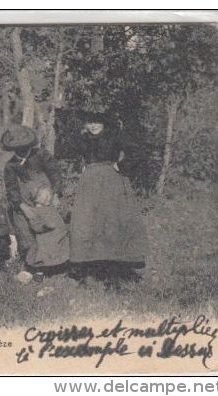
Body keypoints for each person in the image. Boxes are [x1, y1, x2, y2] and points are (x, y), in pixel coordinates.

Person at [69, 112, 148, 288]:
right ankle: (90, 269)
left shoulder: (115, 136)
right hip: (88, 185)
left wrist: (121, 166)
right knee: (87, 223)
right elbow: (66, 149)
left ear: (104, 122)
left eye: (96, 121)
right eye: (88, 122)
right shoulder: (83, 139)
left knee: (112, 223)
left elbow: (137, 151)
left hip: (111, 184)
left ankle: (115, 271)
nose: (92, 125)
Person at [2, 125, 63, 259]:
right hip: (24, 199)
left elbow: (54, 173)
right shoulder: (11, 165)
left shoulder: (41, 154)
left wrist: (56, 193)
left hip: (46, 195)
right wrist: (22, 206)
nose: (21, 149)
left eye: (24, 145)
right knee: (25, 226)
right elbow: (11, 188)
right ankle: (34, 260)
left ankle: (54, 259)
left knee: (49, 225)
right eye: (17, 147)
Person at [17, 184, 70, 282]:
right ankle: (45, 272)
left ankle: (45, 272)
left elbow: (39, 227)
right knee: (43, 254)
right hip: (52, 240)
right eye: (45, 196)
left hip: (52, 240)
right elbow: (37, 225)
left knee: (50, 251)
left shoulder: (44, 210)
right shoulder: (44, 211)